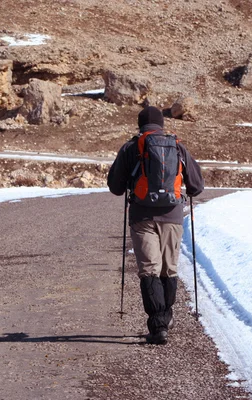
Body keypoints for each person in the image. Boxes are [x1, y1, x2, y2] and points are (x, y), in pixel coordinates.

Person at [107, 106, 204, 344]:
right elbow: (197, 186)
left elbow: (115, 187)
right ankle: (165, 317)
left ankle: (159, 325)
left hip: (142, 217)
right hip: (172, 215)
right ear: (161, 124)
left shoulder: (132, 147)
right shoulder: (177, 146)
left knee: (149, 269)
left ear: (140, 125)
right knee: (168, 269)